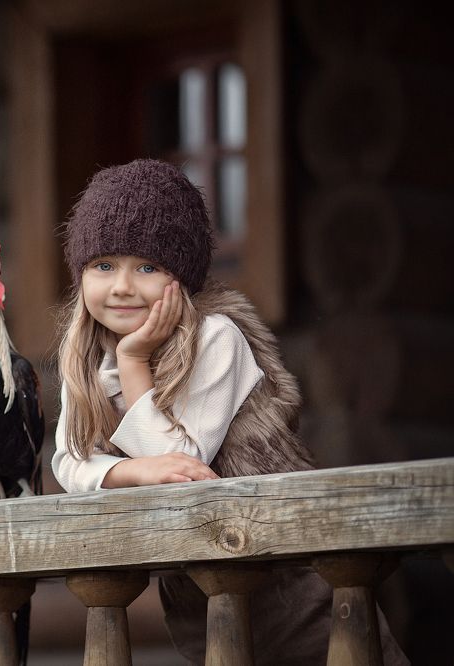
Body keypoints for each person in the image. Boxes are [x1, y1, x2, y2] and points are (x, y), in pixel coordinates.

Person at [52, 159, 408, 664]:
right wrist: (133, 471)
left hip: (291, 585)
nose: (122, 286)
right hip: (201, 595)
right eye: (103, 265)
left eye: (147, 267)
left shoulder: (216, 339)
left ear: (182, 278)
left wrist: (134, 362)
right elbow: (69, 461)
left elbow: (182, 465)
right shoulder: (86, 361)